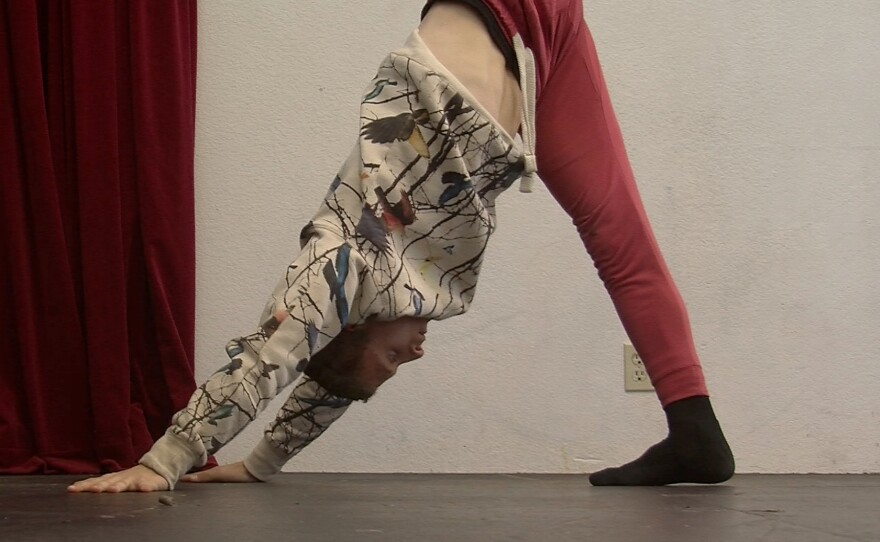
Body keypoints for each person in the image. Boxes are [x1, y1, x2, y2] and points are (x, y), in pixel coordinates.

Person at [68, 0, 734, 493]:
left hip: (489, 22)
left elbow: (273, 354)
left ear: (353, 316)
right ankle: (695, 426)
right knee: (620, 236)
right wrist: (260, 464)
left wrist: (168, 460)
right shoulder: (404, 306)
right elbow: (336, 379)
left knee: (615, 240)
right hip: (543, 44)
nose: (412, 354)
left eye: (392, 354)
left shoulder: (344, 260)